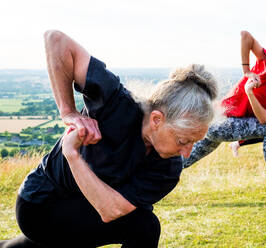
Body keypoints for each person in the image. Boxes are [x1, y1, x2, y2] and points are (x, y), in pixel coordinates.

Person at [0, 30, 218, 248]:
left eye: (194, 142)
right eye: (183, 140)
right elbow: (55, 40)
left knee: (143, 225)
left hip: (87, 209)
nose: (188, 152)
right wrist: (68, 112)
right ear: (156, 119)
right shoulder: (115, 103)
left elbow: (111, 210)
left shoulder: (167, 169)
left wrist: (72, 155)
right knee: (144, 225)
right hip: (40, 204)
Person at [183, 30, 266, 198]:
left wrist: (250, 93)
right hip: (219, 121)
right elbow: (245, 36)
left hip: (223, 127)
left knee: (181, 162)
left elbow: (264, 118)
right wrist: (247, 71)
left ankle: (147, 172)